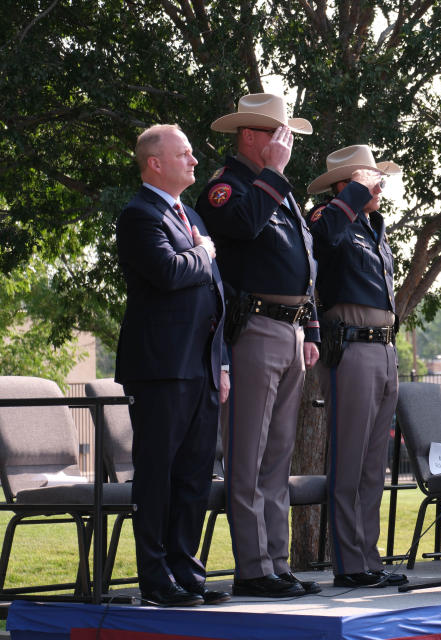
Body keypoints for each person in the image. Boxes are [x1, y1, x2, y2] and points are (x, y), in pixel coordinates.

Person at [195, 93, 322, 598]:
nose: (284, 143)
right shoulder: (228, 188)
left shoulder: (278, 189)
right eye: (277, 134)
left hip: (290, 330)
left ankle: (276, 562)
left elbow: (304, 263)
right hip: (254, 329)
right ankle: (252, 568)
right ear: (249, 136)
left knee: (277, 456)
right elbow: (241, 226)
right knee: (247, 455)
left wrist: (310, 327)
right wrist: (273, 175)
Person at [115, 124, 231, 607]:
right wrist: (202, 252)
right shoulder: (138, 215)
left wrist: (221, 363)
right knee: (159, 475)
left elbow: (215, 295)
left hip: (202, 368)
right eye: (184, 154)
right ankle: (157, 578)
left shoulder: (194, 217)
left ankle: (187, 573)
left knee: (194, 477)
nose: (195, 162)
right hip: (160, 369)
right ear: (155, 163)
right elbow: (168, 272)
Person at [306, 145, 407, 588]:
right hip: (352, 344)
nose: (379, 186)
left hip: (383, 347)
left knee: (372, 465)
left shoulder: (372, 225)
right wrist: (348, 198)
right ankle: (349, 564)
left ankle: (369, 558)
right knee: (349, 460)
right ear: (345, 184)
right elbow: (321, 241)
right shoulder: (326, 216)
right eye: (370, 179)